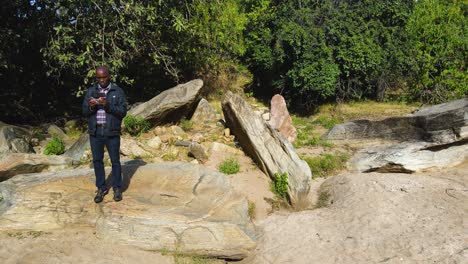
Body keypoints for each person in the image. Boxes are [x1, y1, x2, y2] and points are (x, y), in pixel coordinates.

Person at [82, 65, 127, 203]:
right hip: (95, 132)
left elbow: (123, 111)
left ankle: (117, 188)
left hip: (112, 132)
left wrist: (108, 106)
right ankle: (101, 188)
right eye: (98, 78)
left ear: (109, 76)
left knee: (115, 161)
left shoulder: (117, 91)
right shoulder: (91, 91)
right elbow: (84, 111)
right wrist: (91, 106)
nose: (101, 80)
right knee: (97, 161)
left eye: (104, 77)